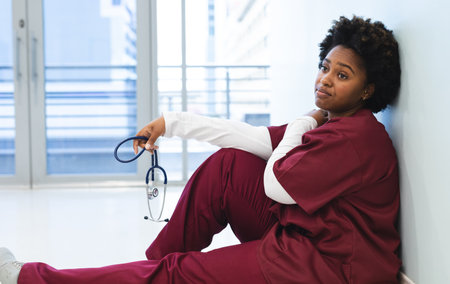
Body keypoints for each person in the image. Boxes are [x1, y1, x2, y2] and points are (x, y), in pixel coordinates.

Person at [0, 15, 401, 283]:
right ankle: (150, 270)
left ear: (368, 90)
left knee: (179, 273)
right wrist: (169, 123)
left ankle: (27, 278)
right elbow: (251, 139)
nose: (325, 79)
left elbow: (278, 184)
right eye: (325, 67)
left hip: (327, 268)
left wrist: (302, 121)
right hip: (310, 238)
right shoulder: (338, 123)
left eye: (342, 75)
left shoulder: (353, 138)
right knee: (228, 165)